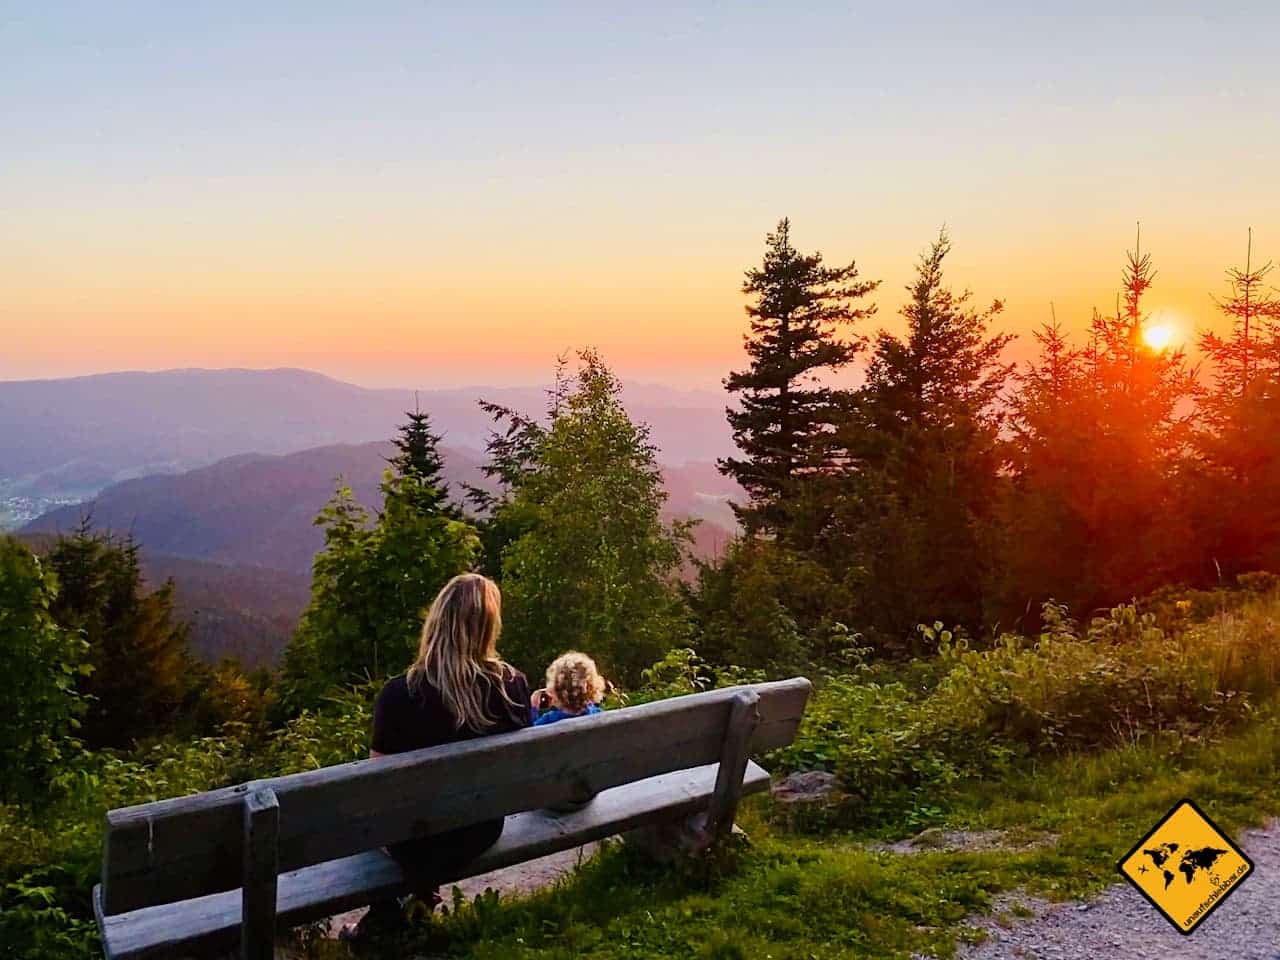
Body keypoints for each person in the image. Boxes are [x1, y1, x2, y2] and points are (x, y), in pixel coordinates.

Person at [341, 573, 532, 943]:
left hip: (414, 840)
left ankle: (384, 921)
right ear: (490, 627)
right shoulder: (513, 686)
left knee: (370, 819)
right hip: (481, 829)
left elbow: (378, 787)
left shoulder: (400, 694)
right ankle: (410, 908)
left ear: (437, 621)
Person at [531, 650, 607, 726]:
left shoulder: (548, 721)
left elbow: (530, 734)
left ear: (555, 689)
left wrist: (534, 708)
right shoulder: (600, 716)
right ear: (591, 686)